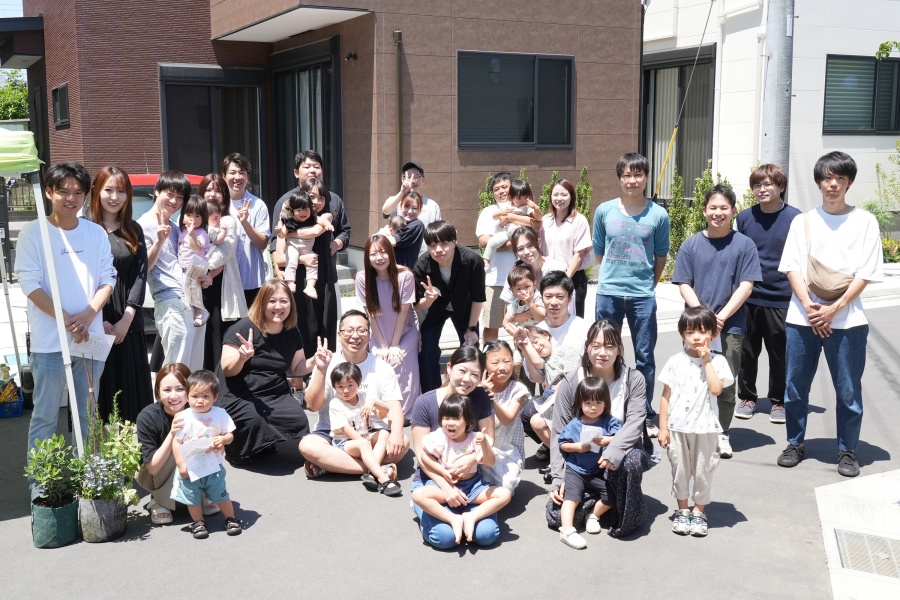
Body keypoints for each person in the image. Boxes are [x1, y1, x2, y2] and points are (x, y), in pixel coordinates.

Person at [775, 152, 883, 478]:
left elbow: (866, 272)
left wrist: (834, 309)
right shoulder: (803, 221)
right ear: (819, 182)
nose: (833, 184)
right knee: (795, 387)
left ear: (849, 182)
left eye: (839, 178)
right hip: (802, 319)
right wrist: (811, 308)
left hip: (848, 321)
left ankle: (848, 450)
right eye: (827, 178)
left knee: (848, 391)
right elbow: (792, 267)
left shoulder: (865, 221)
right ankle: (794, 443)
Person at [17, 162, 116, 460]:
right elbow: (30, 284)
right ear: (49, 192)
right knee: (45, 416)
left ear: (86, 195)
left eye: (78, 192)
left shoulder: (95, 233)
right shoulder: (33, 233)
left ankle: (88, 477)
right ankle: (41, 481)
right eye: (63, 191)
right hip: (49, 342)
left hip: (89, 337)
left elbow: (108, 279)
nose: (71, 198)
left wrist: (88, 315)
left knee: (88, 413)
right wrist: (66, 319)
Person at [672, 184, 761, 459]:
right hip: (695, 327)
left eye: (724, 208)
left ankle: (722, 432)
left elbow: (747, 285)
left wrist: (719, 318)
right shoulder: (691, 245)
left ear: (733, 211)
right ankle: (694, 428)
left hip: (730, 326)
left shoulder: (744, 245)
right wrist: (703, 318)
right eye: (713, 207)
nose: (718, 213)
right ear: (704, 211)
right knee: (693, 379)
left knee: (725, 381)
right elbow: (684, 283)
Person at [549, 319, 654, 538]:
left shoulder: (633, 379)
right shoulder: (571, 381)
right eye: (596, 346)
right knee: (557, 517)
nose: (602, 352)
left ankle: (616, 505)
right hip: (580, 461)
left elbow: (635, 422)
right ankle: (600, 503)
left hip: (620, 454)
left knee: (632, 461)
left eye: (609, 346)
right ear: (586, 347)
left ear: (619, 349)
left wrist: (614, 449)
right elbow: (559, 431)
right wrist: (558, 477)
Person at [592, 153, 670, 431]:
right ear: (619, 178)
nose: (632, 180)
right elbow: (599, 251)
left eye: (638, 175)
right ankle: (603, 407)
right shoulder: (604, 211)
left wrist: (648, 283)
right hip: (608, 293)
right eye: (627, 175)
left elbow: (661, 255)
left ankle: (644, 412)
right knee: (603, 353)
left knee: (645, 357)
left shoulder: (658, 215)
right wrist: (615, 273)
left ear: (646, 177)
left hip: (642, 297)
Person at [299, 309, 409, 478]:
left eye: (361, 330)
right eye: (349, 330)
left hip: (372, 431)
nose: (355, 336)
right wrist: (321, 370)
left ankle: (331, 465)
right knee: (307, 446)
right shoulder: (326, 362)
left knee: (402, 443)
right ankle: (377, 470)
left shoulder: (382, 367)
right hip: (332, 433)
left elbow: (394, 408)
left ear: (369, 335)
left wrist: (396, 434)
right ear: (339, 335)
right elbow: (312, 406)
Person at [409, 346, 500, 549]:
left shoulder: (481, 397)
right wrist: (445, 486)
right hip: (433, 479)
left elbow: (489, 439)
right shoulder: (424, 402)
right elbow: (421, 455)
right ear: (449, 368)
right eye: (462, 371)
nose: (467, 379)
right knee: (444, 538)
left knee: (486, 535)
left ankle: (466, 514)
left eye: (475, 374)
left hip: (471, 481)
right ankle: (427, 508)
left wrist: (473, 458)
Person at [217, 279, 315, 464]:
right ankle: (237, 449)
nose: (278, 306)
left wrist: (315, 360)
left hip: (273, 390)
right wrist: (242, 358)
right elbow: (227, 370)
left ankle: (265, 441)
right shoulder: (241, 329)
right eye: (272, 301)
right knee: (254, 420)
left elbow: (297, 368)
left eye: (284, 301)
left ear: (291, 304)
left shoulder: (292, 332)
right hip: (240, 392)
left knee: (298, 419)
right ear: (262, 303)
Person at [658, 306, 734, 538]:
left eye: (702, 331)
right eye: (690, 332)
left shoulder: (719, 361)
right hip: (677, 427)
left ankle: (699, 511)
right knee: (679, 470)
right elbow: (665, 396)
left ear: (713, 333)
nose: (696, 337)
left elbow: (716, 389)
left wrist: (707, 361)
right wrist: (663, 427)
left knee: (703, 471)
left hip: (705, 428)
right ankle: (683, 510)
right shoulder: (675, 361)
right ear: (682, 334)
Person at [734, 164, 801, 424]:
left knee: (779, 353)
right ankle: (747, 398)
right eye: (757, 185)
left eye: (768, 184)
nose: (761, 189)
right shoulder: (744, 218)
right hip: (748, 296)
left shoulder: (796, 218)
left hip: (781, 297)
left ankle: (779, 401)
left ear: (781, 187)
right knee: (746, 352)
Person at [87, 165, 153, 423]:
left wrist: (127, 318)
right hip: (94, 319)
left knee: (131, 389)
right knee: (98, 390)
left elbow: (140, 276)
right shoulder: (85, 230)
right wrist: (99, 318)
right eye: (109, 190)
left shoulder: (134, 230)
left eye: (121, 191)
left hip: (128, 320)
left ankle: (132, 443)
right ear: (96, 191)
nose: (115, 197)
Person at [272, 150, 351, 352]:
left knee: (326, 325)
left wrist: (337, 244)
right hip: (296, 277)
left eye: (317, 166)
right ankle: (300, 367)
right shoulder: (286, 202)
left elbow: (345, 231)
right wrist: (292, 264)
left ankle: (324, 365)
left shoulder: (333, 200)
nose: (312, 170)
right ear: (296, 172)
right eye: (307, 166)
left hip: (326, 274)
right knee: (298, 325)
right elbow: (276, 244)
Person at [412, 394, 512, 546]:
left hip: (473, 487)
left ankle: (472, 516)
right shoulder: (439, 437)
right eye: (446, 418)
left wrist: (485, 444)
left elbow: (490, 461)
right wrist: (442, 471)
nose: (450, 423)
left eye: (456, 418)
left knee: (504, 494)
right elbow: (424, 456)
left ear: (468, 421)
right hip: (445, 486)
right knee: (418, 495)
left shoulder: (475, 438)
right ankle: (452, 518)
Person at [136, 364, 222, 524]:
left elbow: (219, 453)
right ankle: (160, 501)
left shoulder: (202, 410)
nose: (173, 396)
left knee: (205, 443)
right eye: (167, 390)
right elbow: (152, 468)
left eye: (180, 389)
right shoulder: (148, 417)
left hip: (194, 469)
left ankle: (204, 494)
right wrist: (173, 433)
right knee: (177, 450)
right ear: (158, 391)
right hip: (157, 475)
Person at [138, 170, 204, 370]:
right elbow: (144, 268)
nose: (174, 201)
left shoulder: (176, 227)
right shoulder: (143, 225)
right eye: (170, 194)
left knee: (188, 367)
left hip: (188, 299)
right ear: (157, 191)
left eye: (180, 197)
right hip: (169, 301)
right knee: (176, 367)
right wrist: (159, 241)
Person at [414, 221, 486, 393]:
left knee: (470, 348)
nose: (438, 250)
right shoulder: (422, 265)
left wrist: (471, 328)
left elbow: (478, 298)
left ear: (454, 242)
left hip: (465, 307)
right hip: (434, 309)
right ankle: (432, 396)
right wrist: (428, 300)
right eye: (432, 245)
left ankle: (471, 394)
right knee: (426, 349)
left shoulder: (472, 260)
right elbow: (416, 306)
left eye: (443, 243)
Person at [355, 235, 421, 416]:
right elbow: (370, 314)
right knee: (380, 365)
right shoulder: (362, 278)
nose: (379, 257)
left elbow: (404, 312)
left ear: (391, 253)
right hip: (379, 332)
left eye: (383, 252)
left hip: (405, 331)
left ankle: (405, 413)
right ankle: (383, 413)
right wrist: (382, 345)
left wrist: (395, 344)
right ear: (367, 257)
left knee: (399, 363)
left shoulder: (405, 275)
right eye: (373, 254)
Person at [171, 369, 242, 538]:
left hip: (213, 466)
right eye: (195, 396)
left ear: (215, 396)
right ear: (187, 396)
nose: (200, 401)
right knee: (193, 498)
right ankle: (198, 522)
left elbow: (230, 435)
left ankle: (230, 518)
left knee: (221, 494)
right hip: (190, 468)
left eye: (205, 396)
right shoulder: (183, 417)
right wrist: (181, 464)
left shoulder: (220, 414)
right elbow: (176, 442)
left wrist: (223, 439)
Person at [557, 377, 622, 549]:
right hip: (575, 469)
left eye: (598, 402)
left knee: (611, 495)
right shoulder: (575, 424)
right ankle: (567, 530)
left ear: (606, 403)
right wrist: (577, 447)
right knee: (571, 497)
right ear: (580, 403)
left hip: (596, 471)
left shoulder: (610, 421)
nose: (593, 407)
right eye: (588, 403)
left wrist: (608, 440)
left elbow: (622, 436)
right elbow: (562, 444)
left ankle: (593, 515)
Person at [327, 362, 402, 496]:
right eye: (340, 386)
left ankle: (371, 474)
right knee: (364, 444)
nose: (345, 391)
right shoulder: (335, 403)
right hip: (344, 442)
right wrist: (364, 443)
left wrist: (374, 402)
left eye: (350, 385)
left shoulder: (364, 396)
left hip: (364, 439)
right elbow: (345, 429)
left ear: (359, 383)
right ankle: (383, 479)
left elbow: (385, 412)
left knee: (384, 433)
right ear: (335, 387)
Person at [514, 324, 584, 464]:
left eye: (536, 341)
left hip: (571, 398)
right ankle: (556, 451)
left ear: (546, 335)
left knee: (536, 419)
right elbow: (539, 378)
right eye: (532, 347)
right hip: (552, 398)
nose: (536, 348)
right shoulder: (543, 361)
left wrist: (526, 343)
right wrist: (524, 351)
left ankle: (562, 456)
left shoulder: (566, 350)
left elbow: (572, 378)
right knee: (522, 411)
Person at [199, 173, 248, 372]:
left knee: (217, 337)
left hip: (220, 285)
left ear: (225, 195)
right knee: (200, 339)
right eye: (208, 190)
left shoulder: (228, 220)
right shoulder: (194, 219)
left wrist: (202, 268)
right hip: (197, 283)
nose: (212, 194)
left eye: (218, 190)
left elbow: (224, 253)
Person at [480, 340, 530, 491]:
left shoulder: (518, 389)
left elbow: (507, 419)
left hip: (507, 452)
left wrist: (491, 398)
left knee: (506, 485)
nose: (502, 367)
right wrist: (480, 392)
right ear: (485, 366)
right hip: (479, 449)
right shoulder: (476, 388)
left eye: (507, 361)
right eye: (495, 363)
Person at [476, 172, 519, 342]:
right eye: (496, 189)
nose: (501, 191)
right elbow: (484, 241)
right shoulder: (488, 212)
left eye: (504, 187)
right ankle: (489, 357)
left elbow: (532, 235)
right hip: (494, 281)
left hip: (521, 280)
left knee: (522, 327)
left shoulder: (521, 208)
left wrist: (498, 245)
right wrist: (514, 244)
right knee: (491, 327)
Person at [223, 153, 270, 308]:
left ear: (247, 177)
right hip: (222, 281)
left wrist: (245, 224)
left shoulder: (258, 205)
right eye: (232, 172)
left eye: (242, 173)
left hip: (251, 281)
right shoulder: (217, 205)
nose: (237, 177)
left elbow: (263, 243)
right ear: (224, 176)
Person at [540, 179, 592, 318]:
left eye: (564, 194)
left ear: (571, 196)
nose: (559, 198)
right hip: (548, 277)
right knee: (549, 320)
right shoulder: (545, 220)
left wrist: (565, 280)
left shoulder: (579, 220)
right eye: (555, 194)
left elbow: (579, 254)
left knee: (573, 321)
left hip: (572, 278)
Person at [499, 226, 570, 315]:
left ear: (539, 243)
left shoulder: (556, 268)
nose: (526, 252)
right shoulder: (515, 274)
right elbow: (508, 309)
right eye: (520, 249)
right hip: (522, 323)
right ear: (516, 252)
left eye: (530, 246)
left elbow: (563, 304)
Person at [278, 190, 332, 298]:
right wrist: (280, 232)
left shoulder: (312, 218)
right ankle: (290, 283)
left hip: (307, 249)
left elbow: (322, 221)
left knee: (313, 264)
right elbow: (283, 234)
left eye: (306, 209)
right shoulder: (290, 221)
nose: (303, 213)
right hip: (293, 246)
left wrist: (327, 224)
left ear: (310, 209)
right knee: (291, 261)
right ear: (292, 211)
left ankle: (310, 286)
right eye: (299, 210)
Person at [381, 160, 441, 256]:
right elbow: (385, 210)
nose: (412, 181)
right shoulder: (397, 201)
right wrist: (402, 192)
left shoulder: (432, 205)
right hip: (400, 258)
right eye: (408, 176)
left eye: (416, 176)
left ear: (423, 179)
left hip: (424, 258)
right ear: (402, 179)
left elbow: (438, 234)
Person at [483, 179, 542, 267]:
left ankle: (522, 265)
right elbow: (494, 217)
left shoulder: (527, 207)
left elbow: (539, 219)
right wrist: (501, 212)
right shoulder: (508, 206)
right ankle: (486, 261)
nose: (523, 201)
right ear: (511, 197)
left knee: (523, 251)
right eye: (519, 198)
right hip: (507, 232)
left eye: (526, 198)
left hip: (521, 234)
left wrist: (536, 208)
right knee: (492, 242)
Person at [535, 271, 590, 354]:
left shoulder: (585, 329)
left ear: (570, 298)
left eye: (560, 296)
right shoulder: (536, 332)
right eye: (548, 296)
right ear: (542, 298)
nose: (553, 302)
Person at [177, 195, 211, 327]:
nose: (192, 219)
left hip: (196, 265)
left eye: (197, 216)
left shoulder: (201, 233)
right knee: (186, 291)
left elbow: (197, 249)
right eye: (189, 214)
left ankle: (201, 311)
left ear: (203, 218)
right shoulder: (181, 230)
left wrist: (191, 235)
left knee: (193, 289)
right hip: (183, 266)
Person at [378, 191, 424, 270]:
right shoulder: (399, 222)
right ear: (400, 207)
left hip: (404, 272)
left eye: (415, 208)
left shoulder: (417, 225)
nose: (410, 211)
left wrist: (379, 237)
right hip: (390, 271)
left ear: (420, 210)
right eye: (406, 206)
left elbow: (389, 242)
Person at [501, 265, 545, 331]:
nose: (523, 292)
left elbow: (541, 318)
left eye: (527, 286)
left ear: (534, 285)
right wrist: (515, 333)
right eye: (518, 289)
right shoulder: (516, 303)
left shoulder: (539, 297)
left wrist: (530, 303)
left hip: (540, 332)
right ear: (512, 290)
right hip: (524, 333)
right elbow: (505, 322)